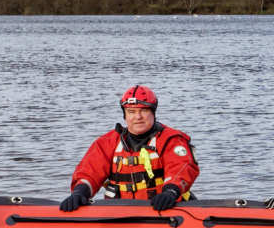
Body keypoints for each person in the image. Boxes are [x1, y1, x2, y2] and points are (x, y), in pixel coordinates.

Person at [59, 85, 199, 212]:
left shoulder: (171, 140)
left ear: (153, 113)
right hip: (120, 211)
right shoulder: (108, 142)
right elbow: (89, 172)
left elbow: (182, 168)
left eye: (143, 111)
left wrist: (170, 192)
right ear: (125, 115)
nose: (137, 117)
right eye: (131, 111)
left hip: (161, 208)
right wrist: (79, 193)